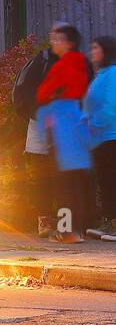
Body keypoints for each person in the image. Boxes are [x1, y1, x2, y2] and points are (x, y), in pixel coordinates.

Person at [36, 24, 94, 243]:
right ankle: (76, 227)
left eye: (57, 37)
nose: (53, 41)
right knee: (75, 181)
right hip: (78, 124)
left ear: (68, 42)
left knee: (63, 183)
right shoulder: (83, 63)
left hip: (62, 125)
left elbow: (43, 92)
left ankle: (66, 230)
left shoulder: (63, 66)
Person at [14, 43, 56, 235]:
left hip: (38, 124)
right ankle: (56, 221)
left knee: (41, 176)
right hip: (51, 125)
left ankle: (44, 220)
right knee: (56, 176)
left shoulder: (38, 63)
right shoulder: (47, 63)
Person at [85, 36, 116, 240]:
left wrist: (93, 123)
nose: (92, 52)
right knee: (104, 181)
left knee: (111, 180)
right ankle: (109, 220)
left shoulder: (113, 74)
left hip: (110, 136)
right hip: (99, 138)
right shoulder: (101, 74)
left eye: (96, 48)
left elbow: (111, 108)